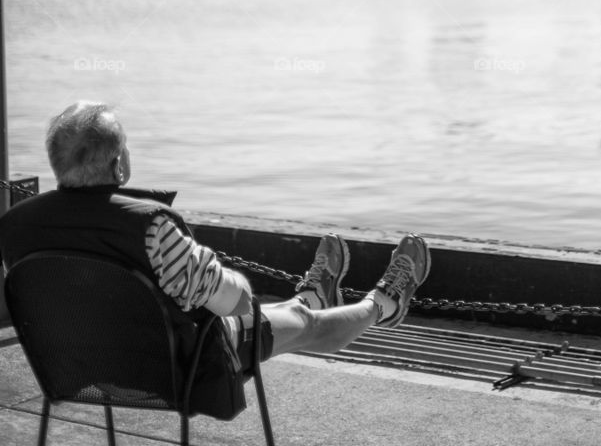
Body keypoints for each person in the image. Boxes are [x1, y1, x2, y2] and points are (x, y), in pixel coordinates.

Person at [0, 102, 431, 418]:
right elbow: (238, 304)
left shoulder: (14, 225)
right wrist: (209, 268)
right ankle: (384, 304)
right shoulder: (150, 227)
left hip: (79, 371)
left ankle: (312, 295)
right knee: (306, 329)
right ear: (119, 165)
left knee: (268, 313)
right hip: (177, 371)